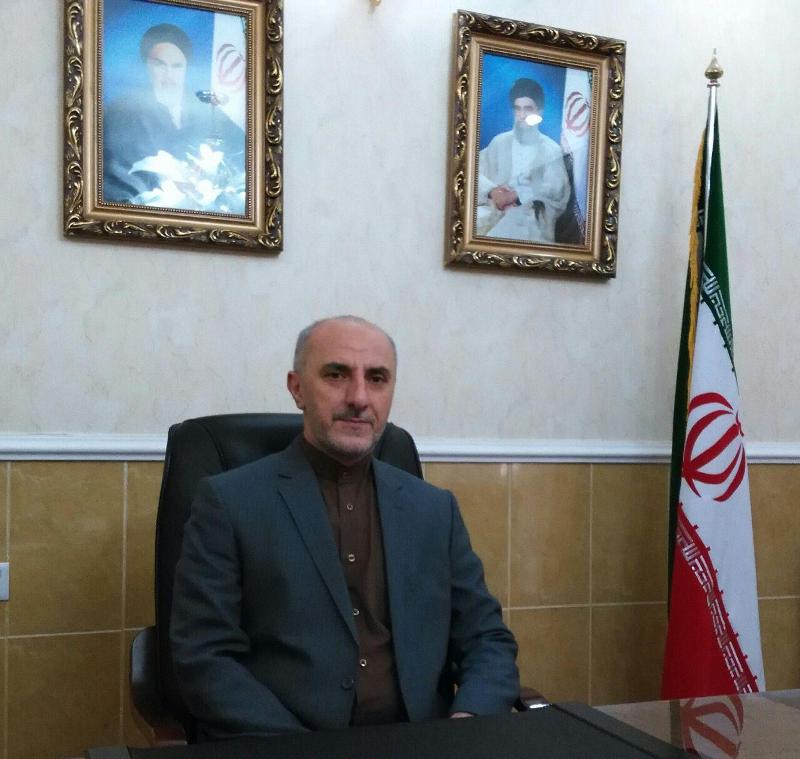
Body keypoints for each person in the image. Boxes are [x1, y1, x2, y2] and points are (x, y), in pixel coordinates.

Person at [170, 315, 519, 740]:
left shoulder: (434, 509)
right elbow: (204, 657)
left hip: (425, 743)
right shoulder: (229, 502)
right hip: (285, 746)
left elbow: (487, 639)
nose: (359, 397)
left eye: (377, 378)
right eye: (336, 375)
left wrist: (469, 721)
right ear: (297, 388)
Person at [102, 23, 245, 210]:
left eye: (177, 66)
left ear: (186, 69)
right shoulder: (119, 113)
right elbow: (110, 177)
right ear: (146, 66)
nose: (169, 76)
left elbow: (245, 156)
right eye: (160, 65)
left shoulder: (208, 113)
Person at [477, 77, 571, 243]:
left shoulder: (551, 149)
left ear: (539, 112)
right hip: (494, 211)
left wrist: (516, 195)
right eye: (518, 109)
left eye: (528, 109)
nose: (522, 115)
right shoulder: (500, 142)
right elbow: (473, 172)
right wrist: (492, 191)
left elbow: (556, 189)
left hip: (529, 219)